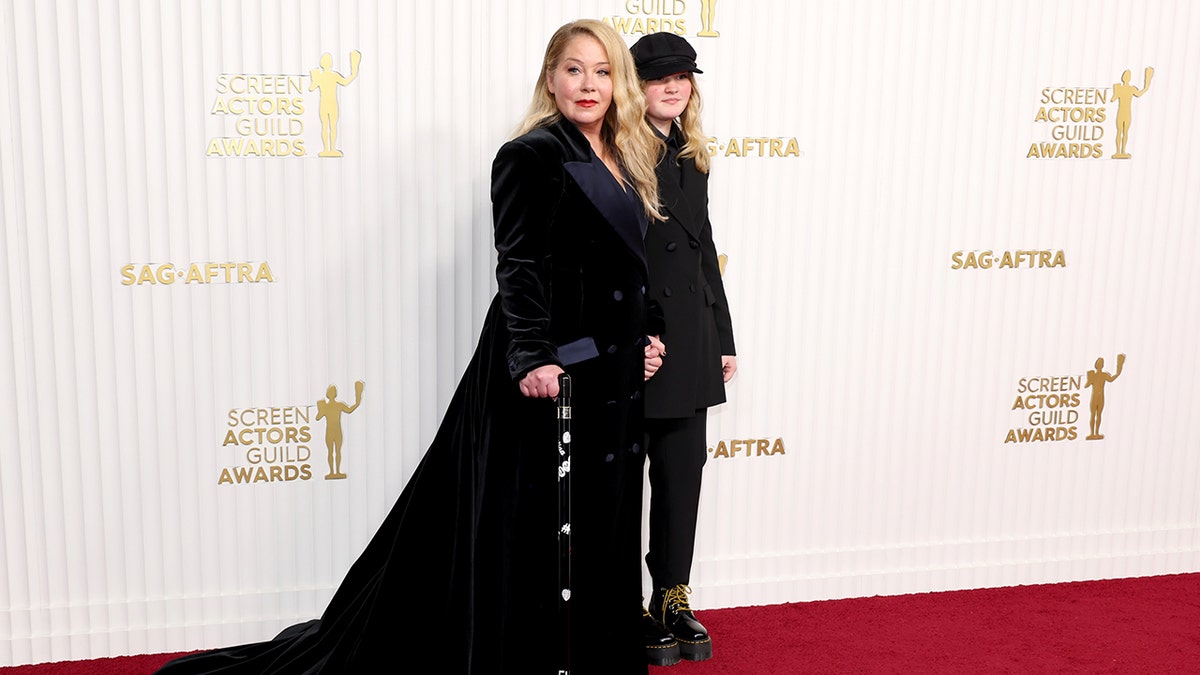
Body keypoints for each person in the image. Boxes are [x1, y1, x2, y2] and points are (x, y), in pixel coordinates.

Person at [157, 19, 664, 675]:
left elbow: (634, 266)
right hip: (554, 373)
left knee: (607, 516)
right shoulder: (529, 156)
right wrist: (533, 356)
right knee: (540, 526)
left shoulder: (626, 156)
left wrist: (646, 333)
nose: (587, 84)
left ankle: (599, 653)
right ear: (550, 77)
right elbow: (519, 266)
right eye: (573, 69)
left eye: (601, 71)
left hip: (612, 374)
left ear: (618, 81)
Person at [629, 32, 737, 665]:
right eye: (657, 77)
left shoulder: (693, 155)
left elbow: (704, 253)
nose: (672, 87)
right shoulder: (615, 151)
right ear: (634, 85)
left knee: (680, 481)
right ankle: (618, 605)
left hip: (691, 339)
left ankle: (670, 598)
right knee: (620, 487)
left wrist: (721, 336)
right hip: (640, 343)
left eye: (683, 77)